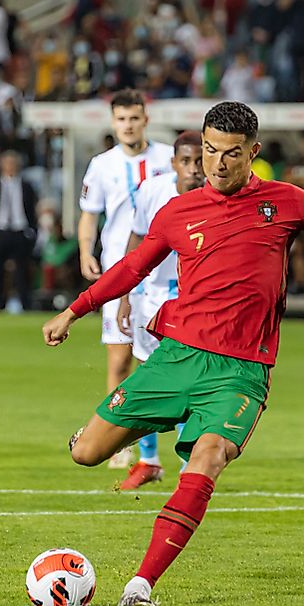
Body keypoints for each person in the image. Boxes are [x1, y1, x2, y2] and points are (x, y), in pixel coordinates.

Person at [41, 101, 304, 606]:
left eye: (231, 154)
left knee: (207, 460)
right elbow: (131, 270)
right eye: (209, 150)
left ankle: (140, 585)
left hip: (239, 373)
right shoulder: (177, 212)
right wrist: (73, 312)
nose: (217, 163)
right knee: (86, 454)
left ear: (253, 153)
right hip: (176, 360)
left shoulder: (289, 202)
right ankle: (145, 421)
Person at [76, 90, 174, 469]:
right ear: (113, 122)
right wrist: (85, 250)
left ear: (145, 119)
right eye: (121, 119)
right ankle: (120, 442)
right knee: (119, 362)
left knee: (162, 359)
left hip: (164, 273)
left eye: (134, 118)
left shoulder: (168, 159)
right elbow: (90, 213)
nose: (128, 125)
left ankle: (160, 452)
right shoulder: (102, 165)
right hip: (121, 273)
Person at [113, 131, 207, 490]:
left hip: (194, 302)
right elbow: (137, 241)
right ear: (173, 163)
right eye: (186, 161)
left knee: (190, 383)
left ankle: (188, 466)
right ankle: (149, 461)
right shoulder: (153, 191)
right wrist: (124, 294)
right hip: (151, 300)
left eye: (199, 161)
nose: (194, 169)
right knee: (148, 377)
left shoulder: (216, 197)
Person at [0, 150, 38, 312]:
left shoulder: (26, 186)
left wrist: (32, 231)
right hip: (0, 231)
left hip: (20, 232)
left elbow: (32, 210)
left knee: (22, 270)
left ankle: (25, 303)